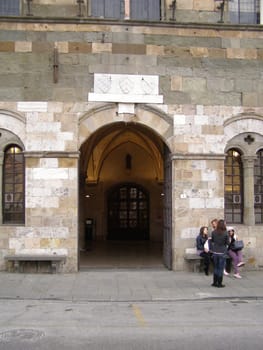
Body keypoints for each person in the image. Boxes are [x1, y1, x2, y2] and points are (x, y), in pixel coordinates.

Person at [211, 219, 230, 288]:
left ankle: (214, 282)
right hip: (222, 252)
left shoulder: (213, 232)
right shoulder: (225, 233)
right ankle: (219, 283)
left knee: (216, 267)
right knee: (220, 268)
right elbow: (228, 243)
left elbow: (212, 241)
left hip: (215, 251)